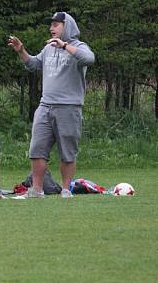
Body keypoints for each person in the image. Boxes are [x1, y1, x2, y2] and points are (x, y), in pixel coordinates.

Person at [7, 11, 96, 198]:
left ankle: (65, 190)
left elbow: (89, 59)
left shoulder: (79, 46)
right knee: (36, 149)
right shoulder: (48, 49)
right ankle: (37, 190)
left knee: (67, 152)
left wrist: (64, 46)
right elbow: (33, 64)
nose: (51, 28)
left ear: (67, 27)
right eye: (51, 25)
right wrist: (21, 51)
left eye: (56, 25)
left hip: (69, 107)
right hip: (45, 106)